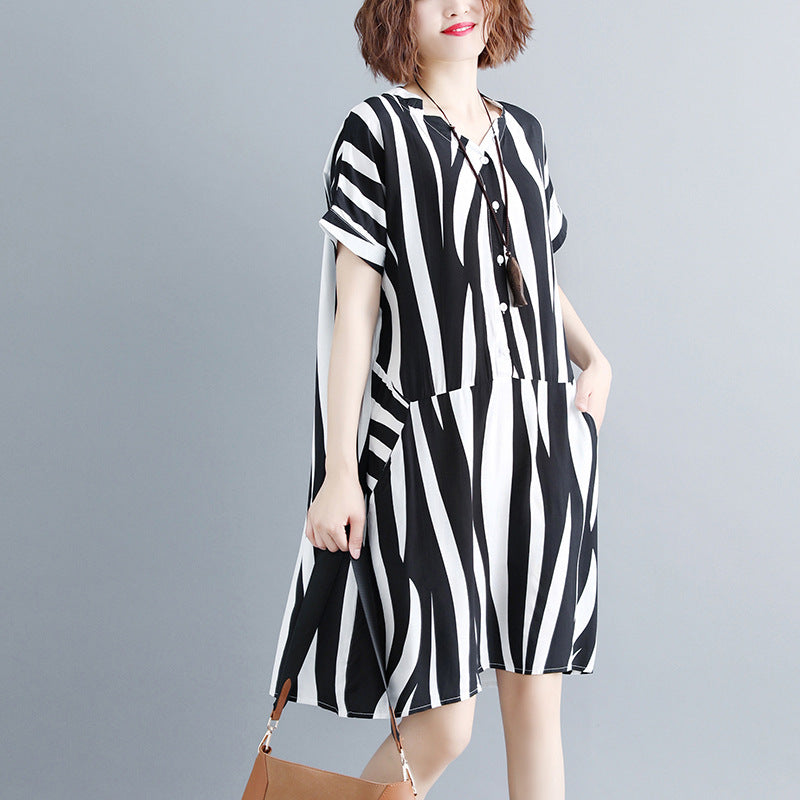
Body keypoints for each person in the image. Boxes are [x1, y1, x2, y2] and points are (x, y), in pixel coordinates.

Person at [268, 1, 612, 798]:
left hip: (539, 444)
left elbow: (532, 272)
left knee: (535, 702)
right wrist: (340, 470)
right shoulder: (375, 131)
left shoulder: (524, 135)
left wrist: (593, 357)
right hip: (432, 451)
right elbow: (354, 312)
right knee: (443, 723)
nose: (459, 5)